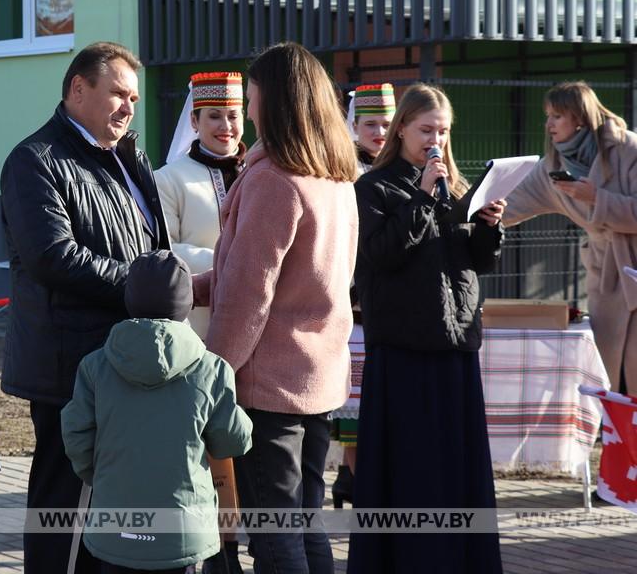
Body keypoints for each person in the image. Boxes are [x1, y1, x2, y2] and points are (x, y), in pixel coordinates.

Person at [0, 41, 170, 574]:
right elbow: (54, 257)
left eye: (135, 99)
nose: (128, 107)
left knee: (113, 511)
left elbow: (152, 246)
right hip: (70, 368)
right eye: (118, 93)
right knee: (63, 509)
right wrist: (147, 285)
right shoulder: (34, 160)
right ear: (78, 89)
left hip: (127, 361)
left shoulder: (129, 158)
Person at [193, 42, 359, 573]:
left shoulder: (273, 179)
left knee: (274, 535)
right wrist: (192, 286)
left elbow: (249, 295)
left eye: (253, 91)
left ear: (275, 98)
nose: (248, 102)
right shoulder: (335, 178)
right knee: (305, 523)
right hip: (319, 377)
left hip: (269, 386)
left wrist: (213, 373)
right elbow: (284, 277)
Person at [347, 83, 505, 574]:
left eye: (443, 130)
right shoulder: (373, 188)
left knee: (456, 469)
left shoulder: (455, 189)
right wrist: (418, 198)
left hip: (455, 346)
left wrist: (487, 228)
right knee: (412, 468)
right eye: (426, 129)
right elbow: (380, 256)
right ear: (401, 131)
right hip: (405, 350)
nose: (435, 139)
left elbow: (474, 265)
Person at [62, 250, 253, 574]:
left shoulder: (95, 367)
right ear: (187, 303)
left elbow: (76, 436)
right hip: (183, 534)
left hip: (114, 529)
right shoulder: (212, 369)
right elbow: (232, 442)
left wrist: (104, 479)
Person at [154, 72, 247, 573]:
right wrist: (230, 257)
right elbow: (161, 249)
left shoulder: (258, 168)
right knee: (207, 447)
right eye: (214, 116)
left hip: (256, 330)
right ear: (195, 120)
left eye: (233, 114)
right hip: (199, 329)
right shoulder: (171, 177)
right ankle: (211, 547)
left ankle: (239, 542)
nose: (226, 125)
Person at [503, 81, 637, 395]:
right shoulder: (553, 167)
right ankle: (616, 439)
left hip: (634, 270)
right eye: (547, 115)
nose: (548, 124)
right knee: (611, 373)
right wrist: (468, 213)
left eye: (557, 116)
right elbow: (511, 202)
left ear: (579, 117)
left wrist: (597, 198)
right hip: (604, 278)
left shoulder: (628, 149)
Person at [331, 82, 397, 509]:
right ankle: (358, 484)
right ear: (353, 126)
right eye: (370, 123)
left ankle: (357, 483)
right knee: (355, 415)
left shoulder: (400, 170)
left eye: (386, 124)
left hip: (389, 309)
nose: (379, 131)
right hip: (354, 309)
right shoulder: (343, 173)